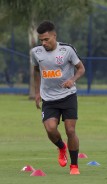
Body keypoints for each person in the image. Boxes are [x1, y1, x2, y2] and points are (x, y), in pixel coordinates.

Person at [31, 20, 85, 175]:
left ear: (54, 36)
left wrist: (72, 80)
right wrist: (37, 92)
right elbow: (36, 71)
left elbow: (81, 69)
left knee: (70, 130)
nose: (43, 43)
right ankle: (62, 147)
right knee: (50, 128)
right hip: (48, 98)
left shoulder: (67, 50)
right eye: (41, 40)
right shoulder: (36, 52)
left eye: (46, 39)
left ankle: (74, 166)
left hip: (68, 96)